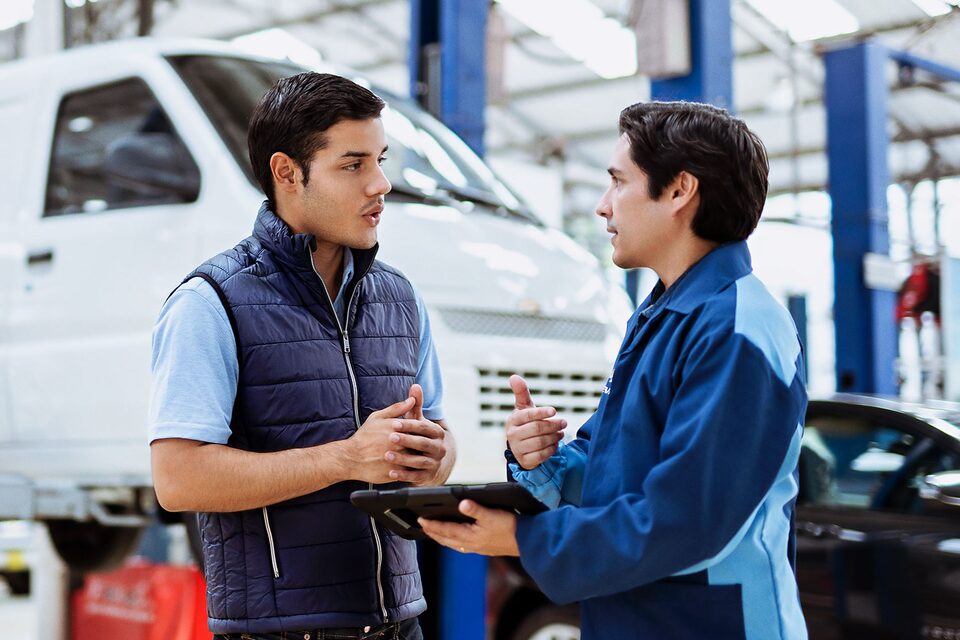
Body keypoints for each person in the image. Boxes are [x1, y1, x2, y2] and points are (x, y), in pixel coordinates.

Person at [420, 101, 808, 639]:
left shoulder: (739, 328)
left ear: (680, 190)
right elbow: (612, 471)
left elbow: (688, 518)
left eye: (619, 182)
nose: (603, 207)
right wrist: (544, 462)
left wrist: (523, 539)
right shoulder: (660, 316)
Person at [149, 72, 455, 640]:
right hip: (280, 629)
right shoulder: (210, 302)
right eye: (353, 165)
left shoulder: (401, 298)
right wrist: (347, 459)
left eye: (380, 160)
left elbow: (438, 442)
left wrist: (433, 456)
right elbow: (178, 479)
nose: (381, 184)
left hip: (400, 620)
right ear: (287, 173)